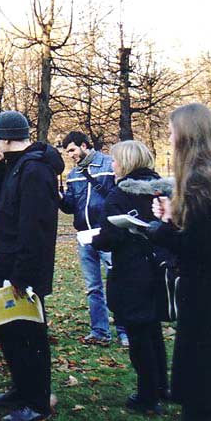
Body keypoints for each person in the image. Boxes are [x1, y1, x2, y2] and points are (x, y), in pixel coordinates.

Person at [148, 103, 211, 421]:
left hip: (207, 306)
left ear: (186, 136)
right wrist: (174, 217)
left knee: (203, 403)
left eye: (171, 133)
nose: (168, 139)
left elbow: (201, 248)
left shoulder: (201, 184)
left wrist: (162, 230)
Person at [0, 111, 64, 421]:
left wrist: (22, 275)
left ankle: (37, 401)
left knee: (29, 336)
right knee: (8, 331)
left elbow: (36, 228)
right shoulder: (15, 165)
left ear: (4, 137)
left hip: (21, 270)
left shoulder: (36, 170)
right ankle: (21, 388)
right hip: (6, 262)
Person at [91, 140, 170, 415]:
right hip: (159, 268)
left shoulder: (120, 195)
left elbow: (110, 237)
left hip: (131, 272)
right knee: (153, 330)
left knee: (138, 334)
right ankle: (161, 386)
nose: (112, 165)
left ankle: (147, 396)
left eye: (115, 160)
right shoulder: (163, 189)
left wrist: (96, 241)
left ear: (125, 162)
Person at [59, 131, 128, 347]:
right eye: (67, 152)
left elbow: (120, 197)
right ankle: (99, 331)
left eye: (72, 150)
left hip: (107, 234)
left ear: (84, 145)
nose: (70, 155)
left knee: (117, 282)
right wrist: (59, 197)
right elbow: (70, 206)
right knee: (93, 287)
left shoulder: (109, 165)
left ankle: (125, 331)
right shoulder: (73, 174)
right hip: (84, 236)